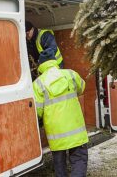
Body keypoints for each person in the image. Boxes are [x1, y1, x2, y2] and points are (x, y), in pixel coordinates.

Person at [33, 48, 88, 177]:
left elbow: (37, 111)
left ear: (40, 65)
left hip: (56, 135)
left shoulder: (38, 84)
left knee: (59, 165)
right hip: (76, 130)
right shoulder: (71, 74)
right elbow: (82, 88)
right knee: (79, 160)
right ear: (55, 61)